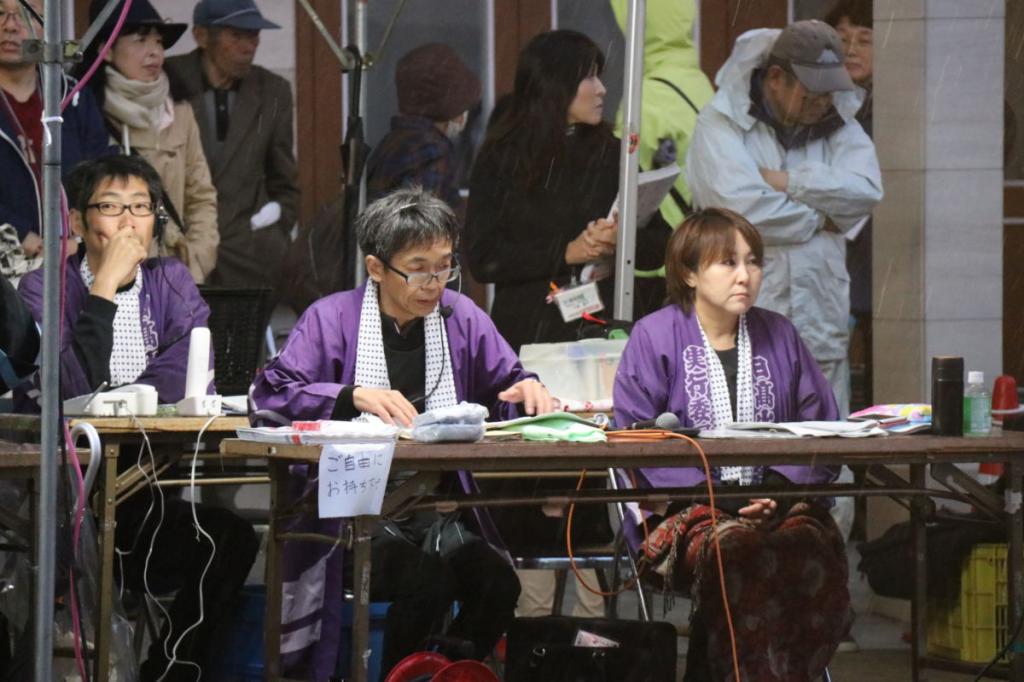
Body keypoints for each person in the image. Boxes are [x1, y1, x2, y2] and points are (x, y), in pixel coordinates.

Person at [251, 187, 553, 678]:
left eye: (445, 265)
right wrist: (351, 396)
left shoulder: (461, 316)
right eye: (418, 267)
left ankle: (441, 666)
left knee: (497, 584)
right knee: (427, 584)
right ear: (376, 268)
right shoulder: (331, 319)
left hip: (433, 511)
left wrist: (528, 390)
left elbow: (507, 384)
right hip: (346, 520)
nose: (434, 282)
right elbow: (269, 396)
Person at [17, 155, 257, 682]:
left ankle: (170, 674)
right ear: (79, 223)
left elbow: (185, 377)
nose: (129, 222)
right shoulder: (44, 289)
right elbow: (65, 389)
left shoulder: (170, 280)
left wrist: (117, 395)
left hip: (144, 499)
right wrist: (102, 288)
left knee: (231, 539)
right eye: (111, 207)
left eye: (142, 208)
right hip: (62, 510)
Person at [613, 207, 848, 682]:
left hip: (778, 503)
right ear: (688, 272)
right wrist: (721, 502)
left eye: (753, 261)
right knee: (736, 550)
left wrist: (778, 495)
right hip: (687, 514)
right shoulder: (654, 336)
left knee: (811, 547)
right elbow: (636, 439)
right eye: (728, 263)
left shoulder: (780, 334)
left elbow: (823, 428)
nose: (745, 276)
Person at [685, 20, 883, 417]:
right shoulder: (721, 122)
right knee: (748, 437)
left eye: (830, 90)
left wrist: (787, 181)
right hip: (742, 312)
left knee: (827, 441)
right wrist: (819, 219)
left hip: (820, 314)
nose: (823, 101)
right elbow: (737, 210)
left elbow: (865, 190)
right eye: (813, 90)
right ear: (776, 78)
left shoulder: (839, 121)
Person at [465, 29, 671, 353]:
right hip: (529, 335)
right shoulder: (504, 156)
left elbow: (662, 244)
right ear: (554, 85)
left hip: (605, 331)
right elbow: (483, 256)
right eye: (588, 78)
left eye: (599, 77)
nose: (602, 89)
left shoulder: (613, 153)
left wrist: (621, 239)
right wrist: (564, 253)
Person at [79, 0, 220, 284]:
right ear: (105, 50)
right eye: (141, 39)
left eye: (158, 41)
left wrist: (195, 264)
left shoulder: (178, 111)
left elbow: (202, 197)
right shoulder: (85, 112)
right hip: (109, 277)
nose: (154, 51)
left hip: (174, 278)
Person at [165, 0, 298, 293]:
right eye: (236, 36)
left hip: (248, 253)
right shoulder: (167, 79)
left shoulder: (272, 91)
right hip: (178, 248)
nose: (248, 46)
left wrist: (273, 230)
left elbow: (285, 181)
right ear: (201, 37)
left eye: (253, 36)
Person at [0, 0, 109, 276]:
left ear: (49, 24)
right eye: (0, 12)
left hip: (72, 267)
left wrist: (80, 238)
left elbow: (100, 177)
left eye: (26, 13)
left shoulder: (74, 97)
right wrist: (21, 234)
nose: (10, 26)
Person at [611, 0, 714, 231]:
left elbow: (621, 176)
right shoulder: (698, 81)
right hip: (697, 236)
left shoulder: (645, 95)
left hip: (665, 249)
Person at [826, 0, 874, 410]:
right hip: (836, 255)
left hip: (879, 257)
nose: (852, 50)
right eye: (842, 40)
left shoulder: (893, 108)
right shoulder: (826, 103)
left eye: (864, 39)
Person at [366, 42, 481, 214]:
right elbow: (424, 230)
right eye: (462, 105)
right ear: (447, 105)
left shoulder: (393, 142)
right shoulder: (430, 152)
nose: (465, 113)